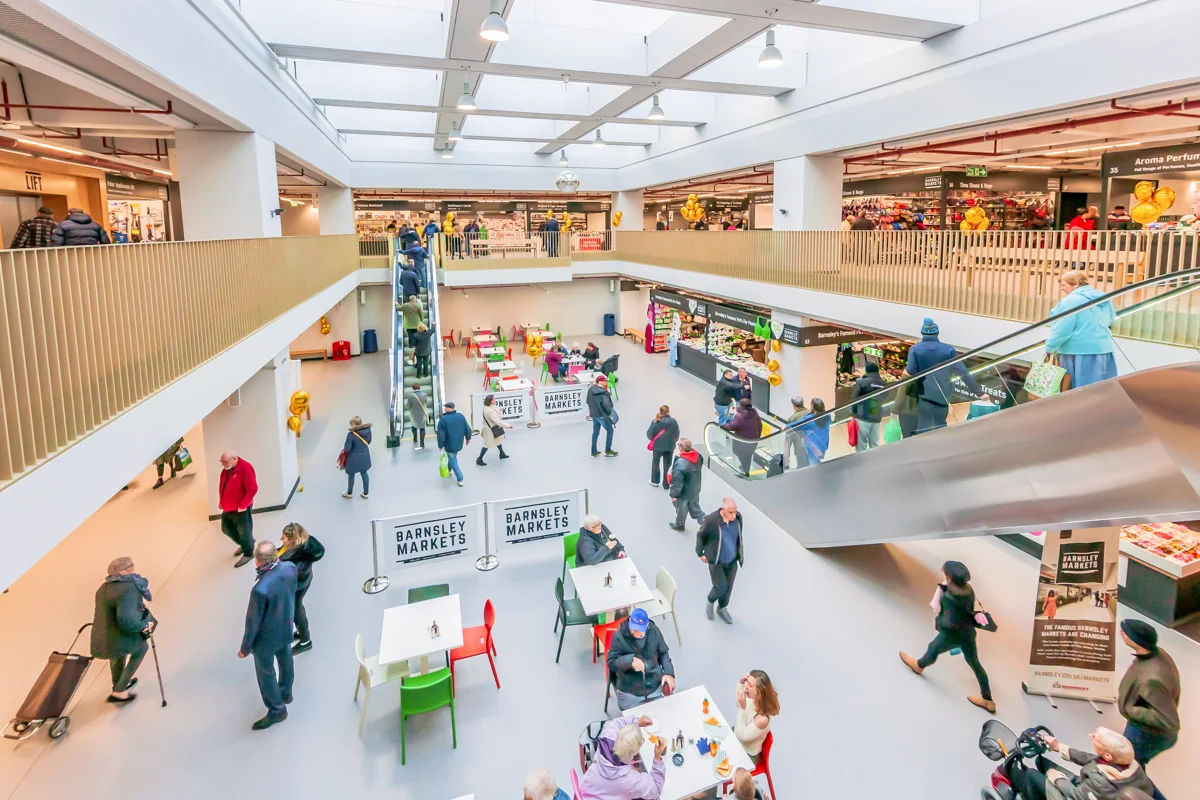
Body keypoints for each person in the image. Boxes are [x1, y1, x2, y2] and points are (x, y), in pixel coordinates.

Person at [900, 560, 995, 712]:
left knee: (934, 648)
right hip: (969, 634)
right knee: (975, 664)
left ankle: (919, 666)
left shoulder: (949, 596)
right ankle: (988, 700)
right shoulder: (969, 590)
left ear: (950, 578)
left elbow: (948, 619)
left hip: (952, 635)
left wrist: (940, 624)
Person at [239, 541, 298, 730]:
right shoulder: (290, 568)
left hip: (265, 640)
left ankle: (276, 709)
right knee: (286, 659)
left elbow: (252, 623)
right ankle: (286, 692)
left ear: (258, 562)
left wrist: (245, 648)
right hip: (286, 626)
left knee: (266, 673)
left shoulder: (260, 589)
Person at [1118, 619, 1180, 796]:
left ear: (1136, 639)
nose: (1121, 633)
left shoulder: (1153, 678)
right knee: (1133, 771)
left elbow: (1169, 721)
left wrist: (1130, 709)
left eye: (1125, 632)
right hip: (1142, 729)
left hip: (1145, 733)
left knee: (1128, 773)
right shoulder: (1155, 654)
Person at [1012, 728, 1155, 800]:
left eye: (1096, 738)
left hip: (1082, 794)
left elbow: (1074, 793)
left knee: (1032, 774)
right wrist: (1058, 747)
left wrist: (1055, 777)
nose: (1091, 736)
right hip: (1091, 791)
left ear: (1108, 755)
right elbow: (1090, 759)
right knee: (1040, 761)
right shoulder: (1130, 766)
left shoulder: (1101, 782)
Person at [91, 557, 155, 703]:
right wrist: (145, 623)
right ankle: (120, 691)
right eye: (132, 565)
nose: (134, 567)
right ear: (125, 571)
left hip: (104, 636)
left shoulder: (102, 588)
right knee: (141, 648)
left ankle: (118, 685)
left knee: (117, 656)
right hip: (120, 634)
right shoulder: (129, 587)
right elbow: (127, 621)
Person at [906, 317, 985, 435]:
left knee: (923, 426)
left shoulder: (915, 349)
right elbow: (963, 372)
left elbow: (911, 370)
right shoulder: (948, 350)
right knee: (941, 424)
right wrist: (980, 393)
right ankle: (942, 448)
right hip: (942, 395)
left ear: (922, 334)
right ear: (937, 333)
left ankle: (923, 449)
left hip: (923, 395)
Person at [1046, 270, 1117, 390]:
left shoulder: (1071, 301)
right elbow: (1111, 318)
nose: (1062, 289)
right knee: (1100, 390)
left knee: (1077, 391)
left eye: (1064, 285)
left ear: (1076, 284)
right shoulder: (1103, 297)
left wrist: (1050, 347)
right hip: (1103, 350)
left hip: (1077, 352)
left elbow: (1063, 329)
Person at [579, 712, 667, 800]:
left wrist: (637, 722)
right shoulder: (631, 781)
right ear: (634, 754)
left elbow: (616, 723)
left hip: (584, 792)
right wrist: (657, 757)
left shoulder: (608, 736)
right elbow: (656, 788)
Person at [607, 608, 676, 710]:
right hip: (629, 691)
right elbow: (611, 662)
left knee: (664, 714)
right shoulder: (619, 635)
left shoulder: (654, 631)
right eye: (633, 628)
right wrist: (629, 661)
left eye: (639, 629)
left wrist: (669, 673)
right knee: (636, 722)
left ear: (647, 626)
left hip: (654, 686)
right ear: (629, 621)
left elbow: (664, 654)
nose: (635, 632)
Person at [278, 522, 324, 655]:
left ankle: (306, 641)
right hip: (298, 584)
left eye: (284, 538)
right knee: (298, 610)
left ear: (292, 540)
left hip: (297, 587)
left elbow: (286, 572)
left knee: (296, 612)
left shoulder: (297, 561)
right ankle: (300, 632)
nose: (281, 539)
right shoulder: (294, 547)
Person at [696, 498, 743, 624]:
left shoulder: (738, 518)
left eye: (735, 512)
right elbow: (701, 535)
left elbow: (739, 537)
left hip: (732, 561)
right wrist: (700, 553)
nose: (734, 515)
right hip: (717, 562)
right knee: (720, 586)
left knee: (728, 588)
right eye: (731, 512)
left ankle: (722, 608)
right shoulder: (711, 521)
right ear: (723, 510)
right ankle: (710, 601)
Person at [218, 451, 258, 568]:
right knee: (226, 528)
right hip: (228, 507)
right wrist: (221, 501)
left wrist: (243, 505)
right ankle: (247, 542)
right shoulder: (226, 470)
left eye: (225, 461)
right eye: (222, 462)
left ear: (234, 458)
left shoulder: (245, 468)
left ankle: (248, 552)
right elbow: (223, 486)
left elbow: (252, 488)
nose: (223, 464)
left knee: (243, 530)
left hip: (241, 509)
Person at [734, 670, 781, 763]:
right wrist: (740, 683)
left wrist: (743, 709)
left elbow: (740, 736)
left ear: (760, 692)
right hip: (738, 739)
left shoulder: (762, 719)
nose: (746, 687)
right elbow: (738, 704)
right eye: (747, 683)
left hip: (747, 754)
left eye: (750, 686)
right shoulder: (752, 698)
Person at [667, 439, 704, 532]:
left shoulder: (681, 463)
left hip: (684, 492)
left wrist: (674, 494)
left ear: (681, 448)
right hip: (695, 487)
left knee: (681, 510)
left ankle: (679, 525)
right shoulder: (698, 456)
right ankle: (704, 522)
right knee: (696, 508)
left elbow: (677, 481)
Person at [850, 363, 888, 451]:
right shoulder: (884, 384)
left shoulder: (861, 382)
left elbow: (854, 399)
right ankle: (874, 463)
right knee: (874, 444)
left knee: (861, 445)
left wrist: (854, 413)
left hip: (863, 417)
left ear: (867, 370)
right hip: (877, 417)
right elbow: (884, 397)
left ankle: (862, 463)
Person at [721, 398, 761, 477]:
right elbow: (760, 424)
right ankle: (746, 468)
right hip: (753, 440)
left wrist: (723, 425)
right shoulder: (755, 413)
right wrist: (758, 436)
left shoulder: (739, 416)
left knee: (740, 453)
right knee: (748, 455)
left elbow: (732, 426)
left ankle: (746, 472)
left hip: (742, 441)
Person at [436, 400, 472, 486]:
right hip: (459, 442)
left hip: (449, 444)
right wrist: (468, 438)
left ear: (449, 409)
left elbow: (441, 434)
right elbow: (467, 428)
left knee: (453, 459)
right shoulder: (460, 416)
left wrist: (440, 445)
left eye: (445, 408)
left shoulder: (443, 419)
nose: (444, 409)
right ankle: (448, 470)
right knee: (453, 457)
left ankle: (460, 478)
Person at [646, 405, 679, 488]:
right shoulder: (673, 422)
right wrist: (673, 441)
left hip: (657, 447)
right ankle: (666, 484)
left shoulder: (656, 421)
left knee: (655, 462)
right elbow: (677, 434)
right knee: (667, 464)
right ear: (668, 412)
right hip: (670, 447)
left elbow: (650, 435)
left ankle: (655, 481)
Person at [477, 393, 513, 465]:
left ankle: (501, 453)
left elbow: (494, 409)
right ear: (490, 401)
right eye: (493, 399)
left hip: (491, 428)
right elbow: (497, 421)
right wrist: (508, 426)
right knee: (487, 444)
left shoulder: (488, 407)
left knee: (498, 440)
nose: (495, 400)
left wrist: (499, 409)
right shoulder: (490, 411)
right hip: (490, 430)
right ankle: (479, 459)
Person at [341, 416, 372, 499]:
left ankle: (349, 493)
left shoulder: (351, 435)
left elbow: (347, 449)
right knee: (364, 473)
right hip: (365, 456)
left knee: (351, 475)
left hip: (353, 459)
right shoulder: (368, 431)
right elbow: (369, 442)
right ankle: (365, 493)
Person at [587, 374, 618, 457]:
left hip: (594, 415)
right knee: (610, 430)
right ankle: (608, 450)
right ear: (600, 381)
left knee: (595, 432)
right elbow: (607, 405)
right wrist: (608, 413)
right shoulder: (604, 392)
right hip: (602, 415)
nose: (606, 382)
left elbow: (588, 401)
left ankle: (593, 452)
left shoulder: (591, 389)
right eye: (604, 380)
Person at [796, 398, 830, 465]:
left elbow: (796, 425)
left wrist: (785, 427)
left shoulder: (810, 420)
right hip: (823, 444)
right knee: (816, 459)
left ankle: (817, 473)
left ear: (813, 407)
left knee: (813, 461)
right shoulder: (828, 416)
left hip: (812, 445)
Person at [406, 382, 430, 450]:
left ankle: (415, 438)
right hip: (422, 414)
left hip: (414, 414)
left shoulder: (411, 396)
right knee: (422, 428)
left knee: (414, 426)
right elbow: (426, 403)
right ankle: (422, 443)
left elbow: (408, 406)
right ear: (419, 387)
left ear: (413, 388)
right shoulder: (424, 394)